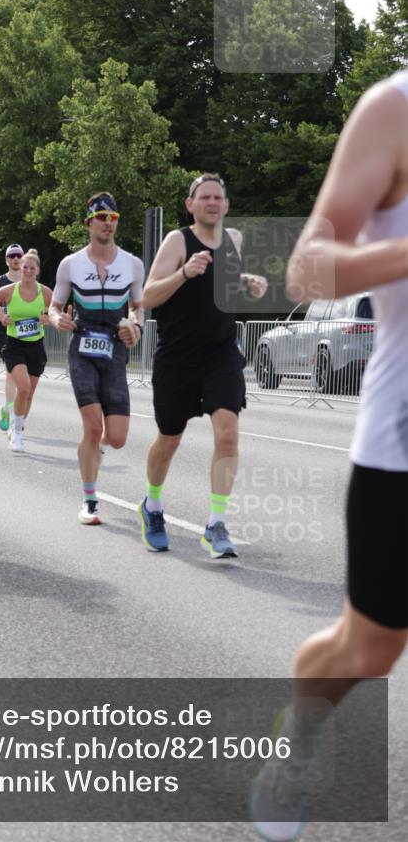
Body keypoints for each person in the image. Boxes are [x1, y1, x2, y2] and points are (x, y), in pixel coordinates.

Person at [250, 70, 408, 841]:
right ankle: (301, 736)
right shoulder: (394, 109)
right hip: (401, 445)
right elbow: (306, 270)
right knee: (371, 646)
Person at [138, 174, 267, 553]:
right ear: (190, 204)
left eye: (218, 197)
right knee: (169, 438)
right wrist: (183, 272)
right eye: (204, 197)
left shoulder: (234, 240)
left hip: (221, 353)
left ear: (226, 206)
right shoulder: (178, 240)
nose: (212, 202)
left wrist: (245, 282)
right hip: (178, 357)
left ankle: (215, 524)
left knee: (227, 433)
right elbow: (148, 295)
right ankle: (153, 505)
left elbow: (219, 282)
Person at [49, 192, 144, 525]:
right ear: (88, 222)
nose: (108, 224)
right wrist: (56, 319)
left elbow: (137, 305)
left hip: (115, 349)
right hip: (83, 348)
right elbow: (55, 306)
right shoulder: (70, 264)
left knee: (116, 437)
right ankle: (90, 501)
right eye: (102, 218)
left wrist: (137, 326)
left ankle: (94, 447)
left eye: (113, 218)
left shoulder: (132, 263)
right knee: (92, 426)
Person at [0, 249, 51, 453]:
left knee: (29, 394)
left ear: (37, 271)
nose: (27, 271)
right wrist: (1, 317)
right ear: (21, 268)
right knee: (23, 388)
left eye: (32, 268)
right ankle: (16, 435)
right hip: (14, 344)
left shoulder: (46, 293)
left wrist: (47, 318)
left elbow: (51, 313)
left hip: (36, 345)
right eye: (25, 267)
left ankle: (18, 425)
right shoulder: (8, 291)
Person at [0, 243, 24, 431]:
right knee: (11, 371)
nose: (16, 259)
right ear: (6, 260)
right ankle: (11, 413)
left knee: (25, 376)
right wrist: (2, 317)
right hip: (5, 331)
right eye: (12, 256)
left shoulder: (30, 281)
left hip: (27, 332)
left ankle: (8, 408)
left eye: (19, 255)